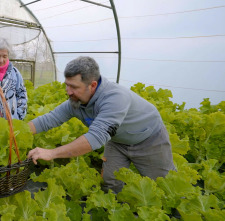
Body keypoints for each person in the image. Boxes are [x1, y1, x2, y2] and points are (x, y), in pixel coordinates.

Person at [27, 56, 176, 194]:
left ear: (92, 85)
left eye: (74, 87)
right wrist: (16, 132)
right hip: (117, 141)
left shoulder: (115, 97)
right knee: (110, 184)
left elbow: (95, 137)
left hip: (149, 139)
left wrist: (51, 153)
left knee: (166, 186)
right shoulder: (76, 102)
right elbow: (49, 119)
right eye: (67, 85)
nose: (68, 92)